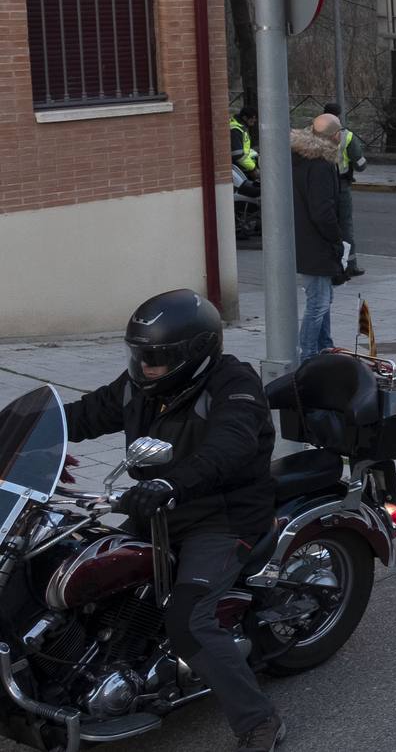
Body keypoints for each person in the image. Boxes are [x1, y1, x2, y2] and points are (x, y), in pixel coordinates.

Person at [62, 289, 285, 752]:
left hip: (218, 519)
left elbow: (230, 444)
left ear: (192, 354)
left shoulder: (234, 385)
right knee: (84, 576)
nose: (144, 366)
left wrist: (171, 484)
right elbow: (80, 416)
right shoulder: (139, 388)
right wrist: (18, 435)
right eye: (139, 355)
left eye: (156, 359)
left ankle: (259, 721)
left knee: (188, 619)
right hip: (154, 511)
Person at [291, 115, 344, 364]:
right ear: (335, 136)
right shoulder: (321, 165)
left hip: (302, 240)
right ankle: (310, 355)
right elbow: (323, 211)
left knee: (324, 298)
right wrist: (335, 238)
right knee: (318, 302)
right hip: (316, 243)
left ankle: (325, 346)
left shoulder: (298, 158)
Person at [319, 104, 367, 277]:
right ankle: (349, 265)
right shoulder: (346, 136)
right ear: (338, 116)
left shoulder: (310, 133)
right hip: (341, 186)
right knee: (345, 226)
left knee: (321, 223)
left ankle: (324, 262)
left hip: (318, 187)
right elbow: (361, 165)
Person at [229, 106, 258, 177]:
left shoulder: (240, 127)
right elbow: (238, 155)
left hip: (241, 166)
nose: (254, 122)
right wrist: (253, 168)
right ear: (245, 118)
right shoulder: (235, 130)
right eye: (252, 119)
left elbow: (244, 150)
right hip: (239, 169)